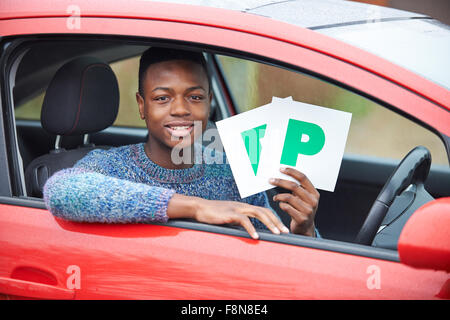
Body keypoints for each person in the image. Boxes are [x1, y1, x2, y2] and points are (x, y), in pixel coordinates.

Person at [43, 47, 320, 239]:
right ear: (142, 106)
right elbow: (61, 191)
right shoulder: (113, 166)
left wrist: (304, 231)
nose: (179, 110)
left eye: (195, 97)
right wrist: (197, 206)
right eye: (162, 98)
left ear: (209, 103)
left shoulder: (233, 170)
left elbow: (278, 254)